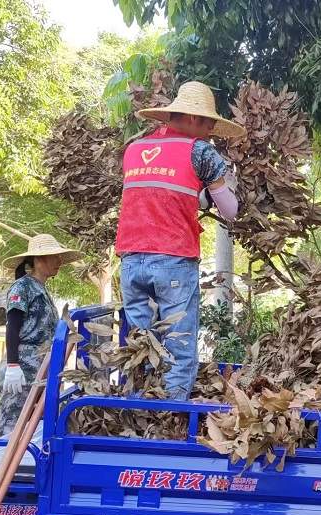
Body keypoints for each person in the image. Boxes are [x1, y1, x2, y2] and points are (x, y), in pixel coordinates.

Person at [115, 81, 245, 399]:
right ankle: (172, 416)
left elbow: (166, 194)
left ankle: (136, 414)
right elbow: (230, 211)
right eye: (209, 123)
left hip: (131, 260)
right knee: (179, 345)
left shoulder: (134, 150)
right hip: (173, 257)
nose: (212, 130)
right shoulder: (201, 151)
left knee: (139, 345)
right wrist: (229, 184)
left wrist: (201, 196)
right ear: (192, 118)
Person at [0, 234, 81, 437]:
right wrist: (13, 365)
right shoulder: (22, 287)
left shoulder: (41, 289)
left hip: (41, 367)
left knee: (34, 427)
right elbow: (13, 325)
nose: (59, 262)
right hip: (23, 367)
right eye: (54, 257)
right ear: (38, 259)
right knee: (13, 425)